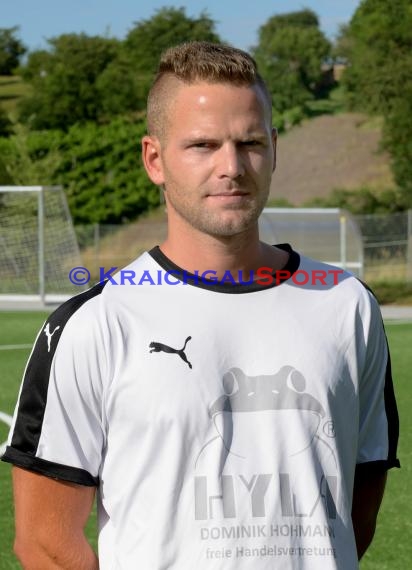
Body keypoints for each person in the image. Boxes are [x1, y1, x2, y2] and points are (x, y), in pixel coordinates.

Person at [2, 41, 399, 570]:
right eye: (203, 145)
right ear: (155, 159)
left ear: (274, 150)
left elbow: (355, 507)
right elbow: (45, 542)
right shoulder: (94, 323)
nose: (231, 166)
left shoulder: (348, 306)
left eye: (250, 142)